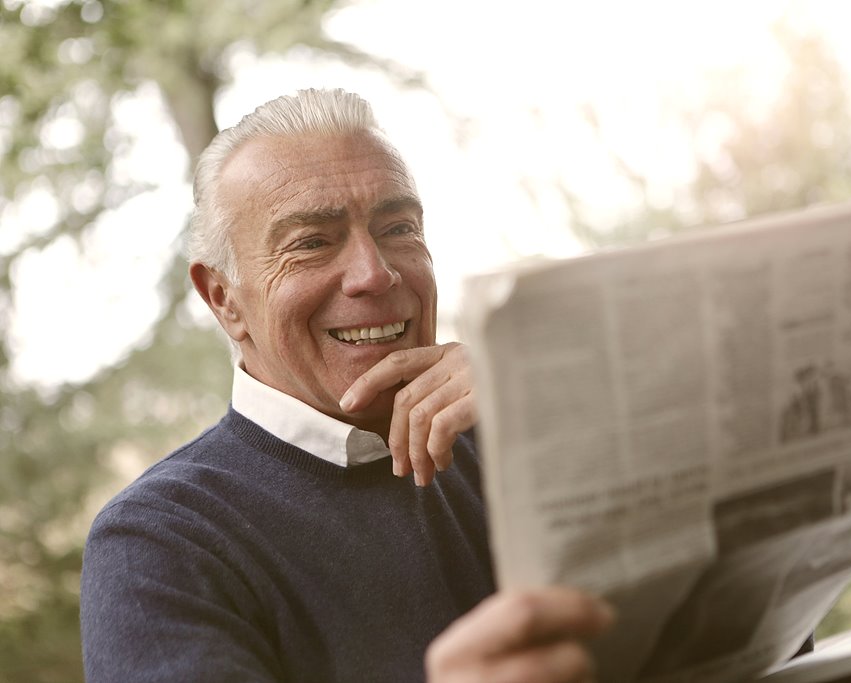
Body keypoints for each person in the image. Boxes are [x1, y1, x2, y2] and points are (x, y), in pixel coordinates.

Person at [79, 88, 614, 682]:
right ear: (224, 299)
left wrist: (548, 400)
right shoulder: (161, 541)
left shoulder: (517, 433)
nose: (374, 273)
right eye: (311, 242)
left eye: (398, 228)